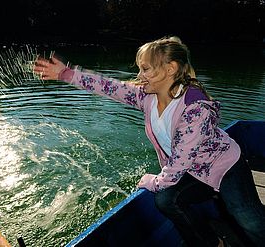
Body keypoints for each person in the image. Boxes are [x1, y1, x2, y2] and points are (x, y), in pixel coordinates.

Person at [33, 36, 265, 247]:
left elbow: (177, 166)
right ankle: (211, 243)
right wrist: (66, 73)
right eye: (140, 69)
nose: (140, 76)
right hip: (194, 171)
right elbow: (110, 87)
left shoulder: (195, 109)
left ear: (170, 69)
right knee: (165, 200)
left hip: (224, 167)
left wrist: (151, 181)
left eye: (146, 69)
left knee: (248, 220)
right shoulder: (147, 97)